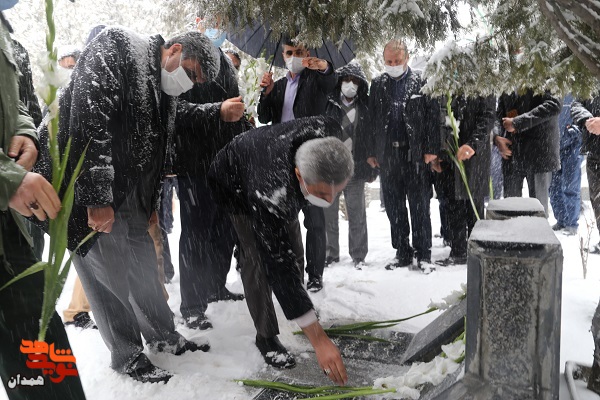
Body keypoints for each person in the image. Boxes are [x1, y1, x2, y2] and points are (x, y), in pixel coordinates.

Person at [58, 28, 220, 383]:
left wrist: (150, 201)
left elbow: (157, 152)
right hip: (80, 183)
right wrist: (97, 196)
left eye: (197, 81)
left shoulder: (165, 89)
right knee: (106, 271)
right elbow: (89, 118)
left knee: (144, 265)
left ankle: (163, 335)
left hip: (129, 193)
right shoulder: (117, 46)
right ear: (174, 50)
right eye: (191, 73)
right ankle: (127, 354)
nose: (190, 83)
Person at [209, 115, 351, 384]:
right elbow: (278, 263)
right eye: (322, 194)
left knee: (294, 249)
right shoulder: (269, 191)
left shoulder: (328, 132)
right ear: (299, 175)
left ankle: (298, 309)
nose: (330, 202)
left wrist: (303, 313)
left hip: (275, 168)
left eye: (336, 193)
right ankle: (266, 336)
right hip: (234, 183)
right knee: (260, 260)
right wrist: (319, 340)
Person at [0, 4, 86, 399]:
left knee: (43, 357)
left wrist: (24, 133)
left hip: (9, 228)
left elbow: (12, 101)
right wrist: (7, 179)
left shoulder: (3, 27)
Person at [174, 45, 248, 330]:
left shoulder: (225, 67)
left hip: (224, 163)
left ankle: (216, 285)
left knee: (223, 231)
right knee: (195, 236)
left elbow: (232, 107)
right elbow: (176, 112)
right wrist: (217, 111)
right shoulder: (182, 68)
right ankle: (192, 306)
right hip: (193, 167)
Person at [258, 37, 337, 292]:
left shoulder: (315, 80)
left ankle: (315, 275)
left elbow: (330, 81)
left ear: (308, 52)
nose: (294, 56)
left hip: (310, 157)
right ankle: (291, 271)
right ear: (283, 56)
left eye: (299, 52)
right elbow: (264, 116)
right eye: (289, 52)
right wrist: (266, 93)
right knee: (285, 219)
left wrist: (323, 65)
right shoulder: (279, 85)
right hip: (283, 158)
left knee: (314, 220)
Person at [367, 39, 438, 271]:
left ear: (406, 58)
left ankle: (423, 253)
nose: (393, 64)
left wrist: (430, 149)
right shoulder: (377, 84)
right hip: (388, 157)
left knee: (419, 206)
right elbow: (371, 120)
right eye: (389, 61)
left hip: (415, 155)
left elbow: (433, 117)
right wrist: (371, 152)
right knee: (395, 208)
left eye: (397, 60)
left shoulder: (421, 81)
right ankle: (403, 251)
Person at [431, 95, 495, 266]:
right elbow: (437, 117)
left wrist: (472, 144)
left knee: (473, 204)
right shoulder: (443, 81)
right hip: (448, 154)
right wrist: (438, 152)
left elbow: (488, 116)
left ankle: (477, 253)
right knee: (452, 204)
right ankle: (458, 250)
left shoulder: (481, 81)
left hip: (473, 155)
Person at [324, 62, 376, 269]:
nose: (350, 85)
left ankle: (358, 255)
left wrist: (371, 164)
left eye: (355, 81)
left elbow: (370, 136)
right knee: (329, 214)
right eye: (346, 80)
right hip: (330, 169)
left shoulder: (365, 106)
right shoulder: (329, 104)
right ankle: (330, 254)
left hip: (355, 168)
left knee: (357, 214)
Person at [494, 89, 560, 216]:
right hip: (511, 153)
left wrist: (518, 123)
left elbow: (554, 105)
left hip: (539, 153)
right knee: (510, 212)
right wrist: (497, 137)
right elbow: (499, 114)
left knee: (538, 214)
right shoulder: (508, 74)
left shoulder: (548, 72)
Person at [549, 93, 583, 236]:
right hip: (553, 145)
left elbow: (583, 115)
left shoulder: (576, 92)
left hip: (573, 147)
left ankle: (571, 223)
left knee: (570, 186)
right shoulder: (550, 90)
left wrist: (573, 131)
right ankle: (561, 219)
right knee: (554, 187)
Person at [572, 95, 600, 250]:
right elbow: (576, 104)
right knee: (596, 199)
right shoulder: (591, 77)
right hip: (594, 151)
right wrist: (588, 120)